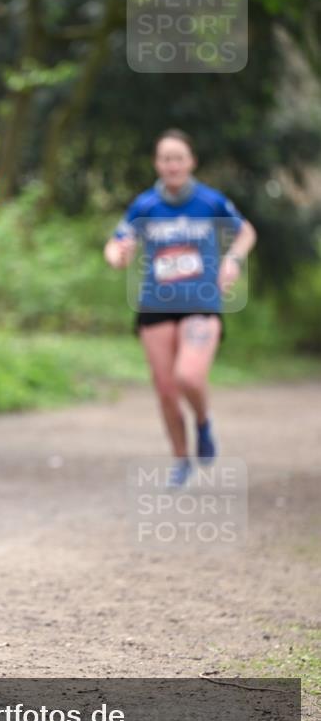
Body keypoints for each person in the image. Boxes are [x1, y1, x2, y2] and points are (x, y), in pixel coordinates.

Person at [104, 129, 256, 486]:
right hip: (155, 305)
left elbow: (246, 232)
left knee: (188, 376)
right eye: (165, 158)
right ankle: (180, 459)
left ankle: (203, 422)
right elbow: (116, 244)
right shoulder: (145, 205)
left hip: (201, 302)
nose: (172, 165)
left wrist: (233, 259)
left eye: (178, 158)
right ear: (158, 164)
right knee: (166, 388)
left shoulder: (211, 201)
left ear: (191, 162)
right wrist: (118, 256)